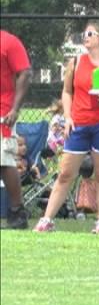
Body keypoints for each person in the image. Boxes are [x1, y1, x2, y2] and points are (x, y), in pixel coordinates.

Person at [33, 22, 99, 234]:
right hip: (78, 125)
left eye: (90, 34)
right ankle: (46, 220)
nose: (85, 37)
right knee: (65, 174)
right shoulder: (76, 62)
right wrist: (68, 117)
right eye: (84, 34)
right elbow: (67, 92)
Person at [1, 29, 32, 229]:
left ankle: (17, 211)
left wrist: (14, 108)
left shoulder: (8, 42)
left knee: (3, 160)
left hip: (3, 109)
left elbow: (25, 72)